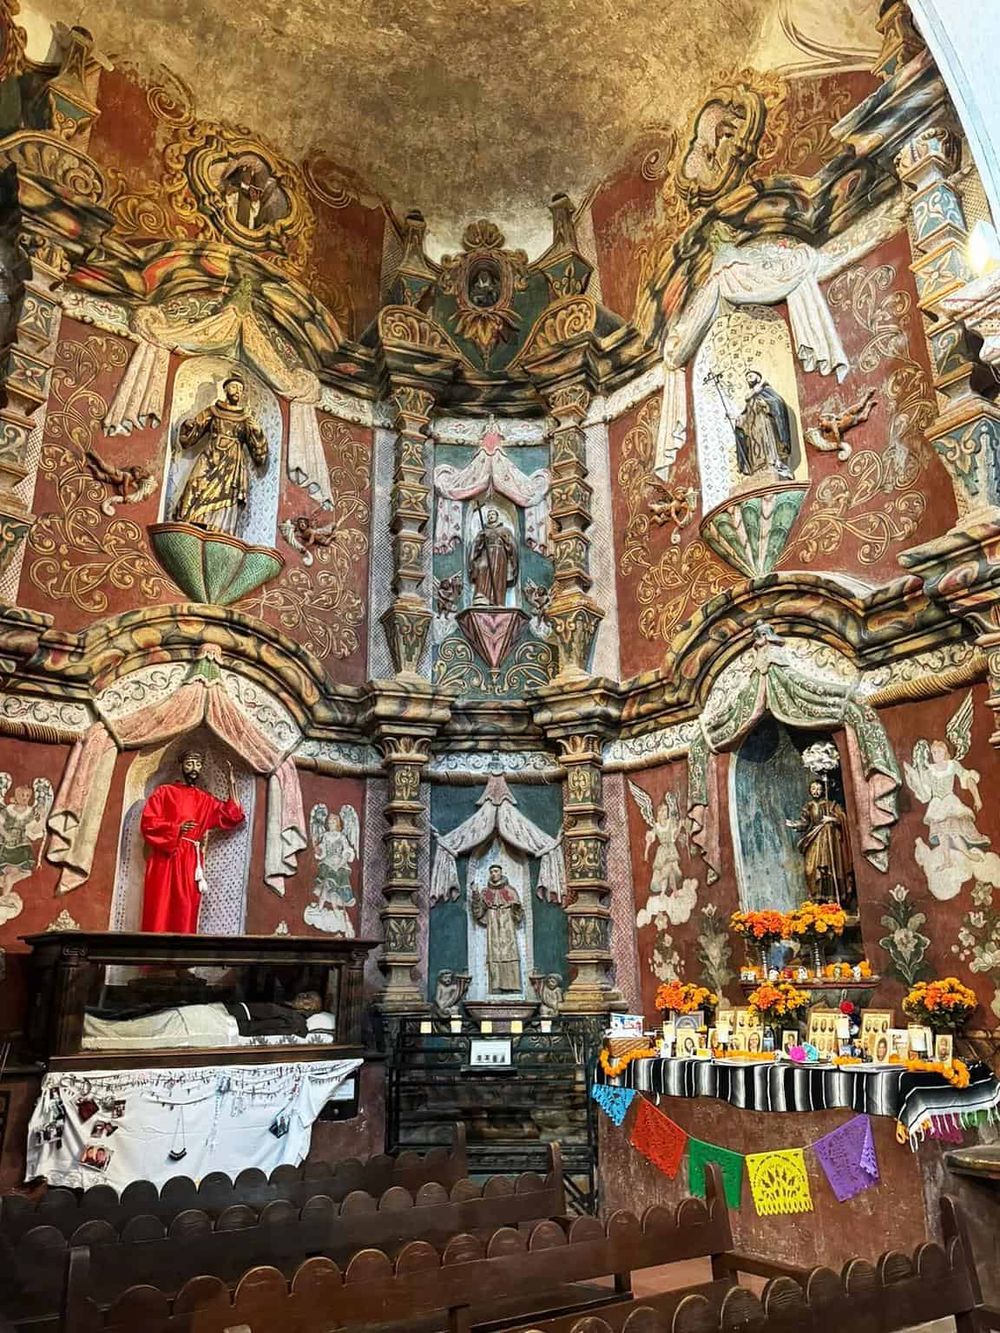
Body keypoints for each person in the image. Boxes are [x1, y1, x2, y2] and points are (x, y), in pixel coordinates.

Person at [140, 749, 245, 934]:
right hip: (165, 857)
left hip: (190, 859)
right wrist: (176, 828)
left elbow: (232, 815)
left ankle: (181, 951)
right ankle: (153, 950)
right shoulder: (165, 792)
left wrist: (231, 784)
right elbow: (148, 823)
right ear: (181, 766)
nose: (194, 768)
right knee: (160, 904)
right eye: (189, 764)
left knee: (186, 905)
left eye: (197, 764)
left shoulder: (204, 799)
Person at [172, 375, 269, 535]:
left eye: (240, 389)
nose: (237, 391)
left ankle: (220, 528)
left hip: (232, 460)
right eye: (234, 387)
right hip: (211, 454)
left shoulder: (246, 417)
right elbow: (193, 433)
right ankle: (190, 520)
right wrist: (189, 426)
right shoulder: (213, 411)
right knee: (196, 483)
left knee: (227, 491)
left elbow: (259, 455)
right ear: (225, 389)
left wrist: (257, 432)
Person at [787, 780, 855, 907]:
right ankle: (816, 896)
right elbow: (805, 822)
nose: (816, 791)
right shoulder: (808, 807)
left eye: (818, 788)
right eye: (813, 788)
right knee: (811, 869)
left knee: (829, 869)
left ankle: (832, 898)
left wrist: (832, 819)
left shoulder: (832, 805)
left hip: (829, 841)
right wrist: (795, 824)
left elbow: (843, 818)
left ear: (823, 790)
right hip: (814, 839)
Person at [471, 864, 524, 993]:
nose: (494, 874)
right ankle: (496, 986)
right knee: (494, 952)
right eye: (492, 872)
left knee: (510, 951)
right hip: (493, 922)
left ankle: (514, 985)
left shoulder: (510, 890)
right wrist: (476, 895)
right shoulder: (486, 892)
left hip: (507, 922)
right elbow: (478, 912)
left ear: (501, 872)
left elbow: (518, 913)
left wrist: (515, 908)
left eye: (496, 871)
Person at [734, 369, 794, 481]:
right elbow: (747, 415)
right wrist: (739, 420)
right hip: (754, 433)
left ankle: (774, 464)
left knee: (769, 447)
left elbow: (778, 403)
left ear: (758, 377)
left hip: (766, 426)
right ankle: (758, 470)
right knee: (756, 452)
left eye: (750, 376)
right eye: (747, 378)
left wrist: (767, 404)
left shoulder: (766, 391)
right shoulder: (750, 399)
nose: (748, 379)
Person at [467, 509, 518, 606]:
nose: (491, 516)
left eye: (493, 514)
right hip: (486, 554)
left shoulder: (504, 530)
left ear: (497, 517)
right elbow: (476, 546)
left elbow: (512, 545)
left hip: (499, 554)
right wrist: (481, 539)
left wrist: (512, 559)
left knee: (498, 576)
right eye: (489, 515)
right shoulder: (483, 531)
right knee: (482, 567)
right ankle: (481, 596)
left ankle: (497, 601)